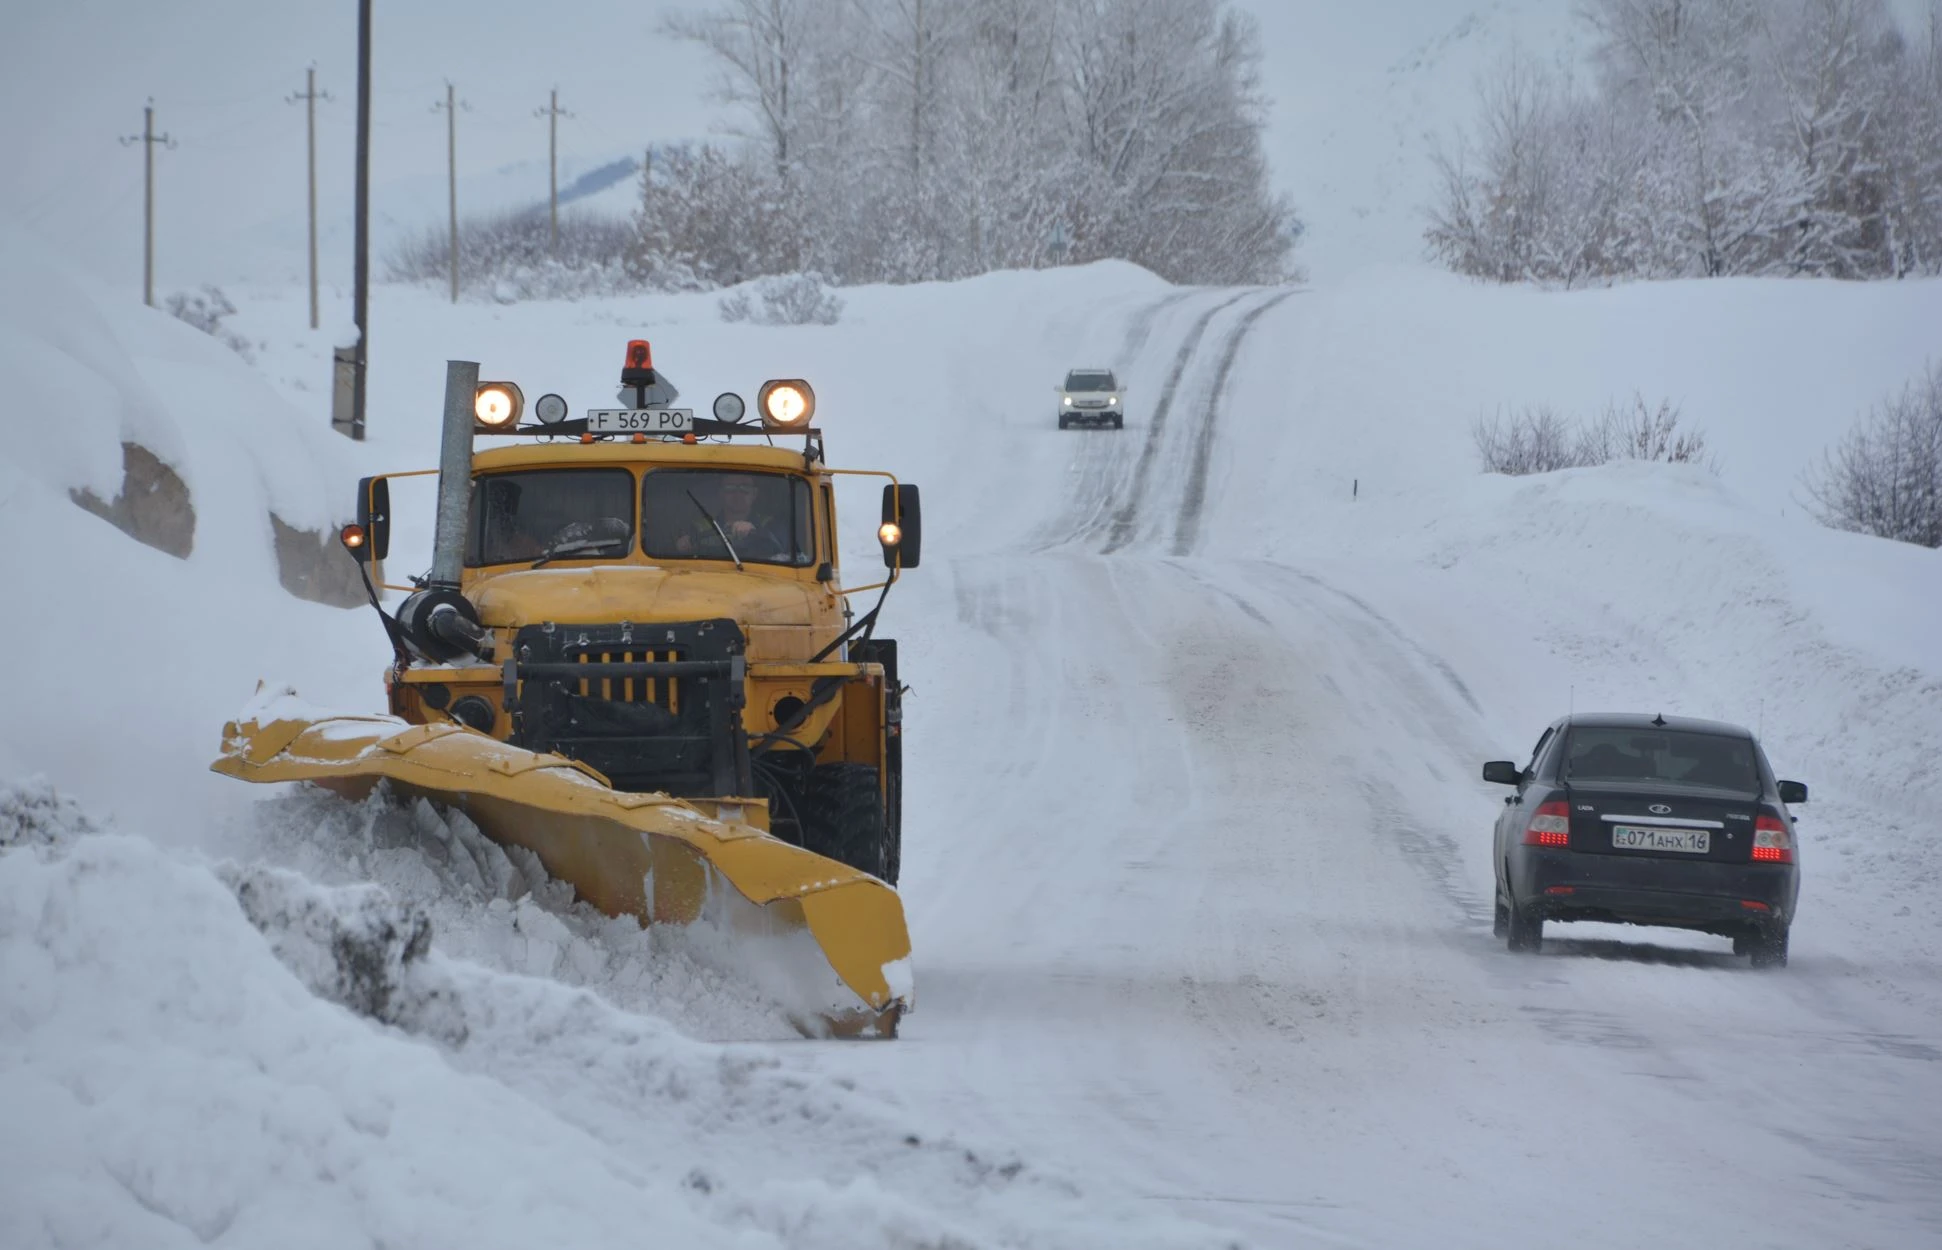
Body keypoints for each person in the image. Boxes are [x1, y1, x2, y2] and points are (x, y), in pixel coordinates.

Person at [677, 473, 786, 559]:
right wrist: (683, 546)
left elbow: (783, 551)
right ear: (721, 493)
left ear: (754, 494)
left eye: (745, 488)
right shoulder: (700, 527)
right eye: (730, 488)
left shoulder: (771, 524)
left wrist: (757, 532)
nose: (737, 494)